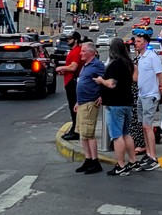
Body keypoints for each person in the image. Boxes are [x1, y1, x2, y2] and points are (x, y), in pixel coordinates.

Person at [95, 38, 138, 175]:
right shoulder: (128, 64)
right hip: (127, 102)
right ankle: (133, 161)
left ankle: (121, 165)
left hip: (115, 104)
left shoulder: (115, 65)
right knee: (126, 133)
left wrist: (101, 80)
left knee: (116, 135)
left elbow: (112, 84)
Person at [132, 27, 162, 171]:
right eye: (135, 41)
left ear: (145, 42)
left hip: (150, 96)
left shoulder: (152, 57)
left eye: (139, 41)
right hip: (141, 94)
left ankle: (153, 156)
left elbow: (161, 76)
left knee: (148, 126)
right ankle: (148, 153)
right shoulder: (141, 57)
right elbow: (137, 77)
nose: (136, 44)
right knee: (143, 126)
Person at [73, 42, 105, 175]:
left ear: (91, 53)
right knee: (82, 134)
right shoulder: (85, 66)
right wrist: (77, 101)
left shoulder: (97, 65)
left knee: (89, 133)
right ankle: (88, 159)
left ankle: (95, 161)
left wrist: (103, 95)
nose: (81, 53)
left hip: (90, 103)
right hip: (82, 103)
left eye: (83, 51)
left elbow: (107, 80)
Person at [56, 31, 83, 141]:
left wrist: (61, 68)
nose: (68, 41)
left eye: (70, 39)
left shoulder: (76, 51)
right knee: (72, 107)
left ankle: (76, 131)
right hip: (70, 81)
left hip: (72, 82)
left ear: (75, 40)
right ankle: (74, 129)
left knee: (74, 107)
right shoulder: (73, 51)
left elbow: (73, 67)